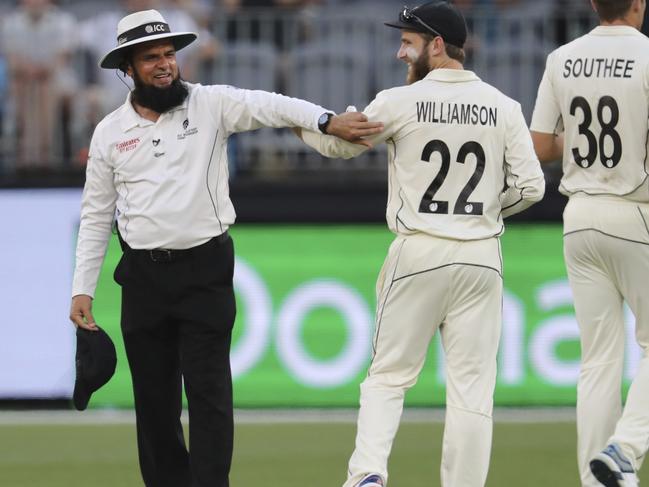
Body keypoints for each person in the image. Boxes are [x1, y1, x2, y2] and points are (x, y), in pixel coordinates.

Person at [68, 9, 382, 487]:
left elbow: (271, 105)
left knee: (210, 396)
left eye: (170, 54)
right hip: (142, 279)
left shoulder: (210, 104)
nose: (165, 64)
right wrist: (81, 291)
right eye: (151, 57)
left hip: (204, 271)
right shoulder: (110, 131)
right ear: (127, 68)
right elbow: (95, 216)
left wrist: (326, 120)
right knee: (155, 407)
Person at [295, 2, 545, 486]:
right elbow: (532, 187)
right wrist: (488, 212)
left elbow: (341, 144)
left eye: (408, 42)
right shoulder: (504, 106)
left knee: (389, 376)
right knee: (472, 392)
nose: (398, 53)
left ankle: (368, 474)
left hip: (420, 249)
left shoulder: (399, 101)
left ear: (436, 45)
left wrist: (301, 123)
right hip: (480, 255)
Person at [530, 1, 649, 486]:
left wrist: (576, 140)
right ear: (638, 4)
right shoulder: (646, 55)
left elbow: (540, 145)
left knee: (599, 357)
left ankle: (595, 478)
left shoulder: (563, 57)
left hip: (579, 215)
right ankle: (626, 449)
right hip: (635, 209)